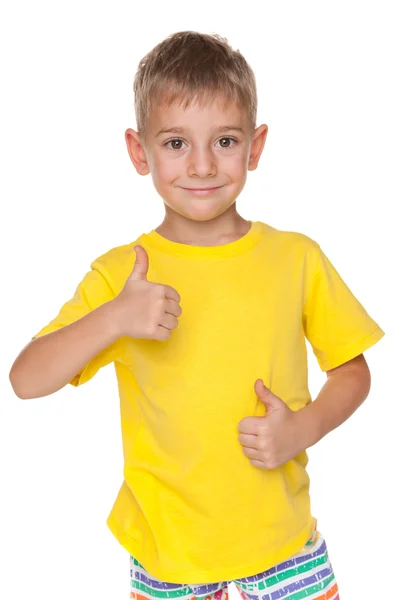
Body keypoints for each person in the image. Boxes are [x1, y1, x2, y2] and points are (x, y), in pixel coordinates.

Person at [9, 30, 384, 600]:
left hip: (284, 544)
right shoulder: (123, 274)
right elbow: (26, 379)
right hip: (168, 555)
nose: (204, 165)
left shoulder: (296, 257)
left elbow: (353, 370)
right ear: (140, 152)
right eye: (177, 143)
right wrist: (114, 318)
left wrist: (302, 429)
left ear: (255, 147)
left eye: (226, 141)